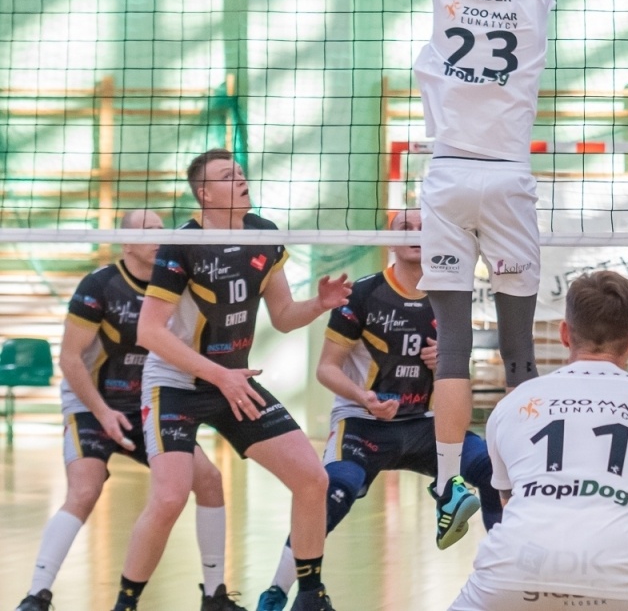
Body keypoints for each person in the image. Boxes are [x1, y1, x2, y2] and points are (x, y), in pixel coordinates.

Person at [414, 0, 590, 548]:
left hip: (448, 176)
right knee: (519, 351)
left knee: (453, 346)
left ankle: (448, 483)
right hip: (506, 177)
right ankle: (526, 488)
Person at [117, 151, 351, 611]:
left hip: (233, 381)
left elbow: (283, 317)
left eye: (241, 173)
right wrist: (219, 375)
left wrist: (319, 304)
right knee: (168, 497)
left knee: (311, 478)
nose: (241, 180)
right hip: (177, 385)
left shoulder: (264, 235)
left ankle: (309, 594)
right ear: (205, 194)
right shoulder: (179, 245)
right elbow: (148, 331)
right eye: (228, 176)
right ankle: (125, 604)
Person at [255, 209, 501, 611]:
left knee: (494, 470)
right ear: (387, 239)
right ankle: (281, 592)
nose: (415, 233)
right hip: (363, 424)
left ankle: (498, 573)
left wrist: (449, 364)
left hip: (425, 427)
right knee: (331, 492)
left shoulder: (450, 300)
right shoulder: (364, 295)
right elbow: (326, 369)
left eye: (424, 228)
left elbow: (459, 385)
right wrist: (363, 396)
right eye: (405, 227)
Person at [16, 210, 243, 611]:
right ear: (125, 242)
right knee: (85, 489)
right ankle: (37, 595)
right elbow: (69, 359)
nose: (158, 236)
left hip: (149, 405)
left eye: (161, 228)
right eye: (146, 230)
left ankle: (214, 596)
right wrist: (102, 412)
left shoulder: (176, 283)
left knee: (208, 479)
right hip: (94, 404)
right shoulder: (100, 285)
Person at [447, 271, 628, 611]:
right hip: (621, 578)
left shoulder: (511, 406)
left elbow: (511, 508)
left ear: (564, 333)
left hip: (513, 573)